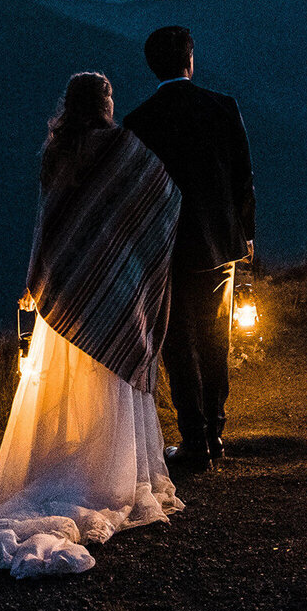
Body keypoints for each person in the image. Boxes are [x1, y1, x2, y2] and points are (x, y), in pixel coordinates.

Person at [0, 72, 184, 577]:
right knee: (108, 380)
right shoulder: (125, 148)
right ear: (105, 104)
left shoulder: (57, 152)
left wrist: (36, 280)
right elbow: (165, 199)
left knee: (69, 383)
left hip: (68, 286)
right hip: (116, 287)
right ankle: (106, 472)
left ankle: (66, 464)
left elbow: (48, 222)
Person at [123, 27, 255, 472]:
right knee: (217, 338)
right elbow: (243, 178)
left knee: (178, 344)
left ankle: (194, 439)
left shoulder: (139, 121)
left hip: (168, 250)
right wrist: (246, 234)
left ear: (152, 65)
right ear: (190, 59)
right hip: (219, 245)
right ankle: (216, 431)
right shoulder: (224, 107)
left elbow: (136, 195)